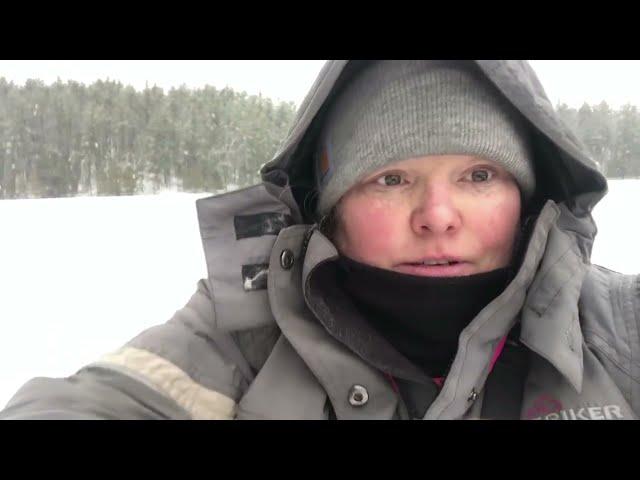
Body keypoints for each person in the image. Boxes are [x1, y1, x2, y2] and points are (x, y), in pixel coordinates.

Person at [1, 60, 638, 420]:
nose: (438, 216)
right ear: (330, 208)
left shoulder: (620, 329)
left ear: (528, 198)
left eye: (478, 175)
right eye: (391, 179)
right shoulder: (244, 333)